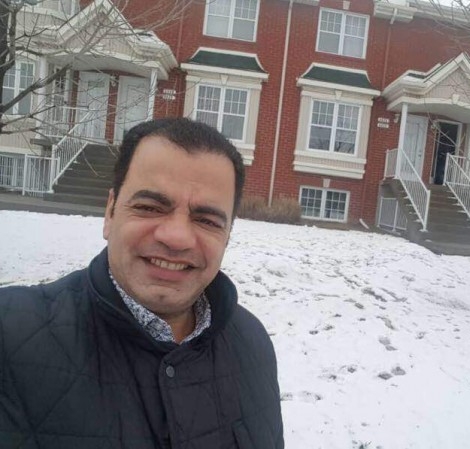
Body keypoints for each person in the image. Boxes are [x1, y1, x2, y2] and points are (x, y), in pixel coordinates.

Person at [0, 118, 284, 449]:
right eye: (149, 207)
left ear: (227, 235)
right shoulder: (10, 335)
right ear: (110, 212)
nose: (176, 237)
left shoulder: (252, 343)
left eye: (206, 220)